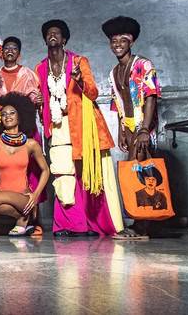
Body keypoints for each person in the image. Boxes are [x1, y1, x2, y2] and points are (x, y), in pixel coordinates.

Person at [35, 19, 124, 237]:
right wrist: (38, 103)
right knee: (63, 174)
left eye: (57, 33)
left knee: (87, 174)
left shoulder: (78, 61)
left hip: (82, 125)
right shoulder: (40, 68)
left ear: (64, 39)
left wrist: (79, 81)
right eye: (49, 33)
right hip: (57, 127)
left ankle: (93, 223)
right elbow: (43, 103)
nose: (52, 36)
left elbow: (93, 93)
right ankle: (68, 224)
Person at [102, 16, 162, 237]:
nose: (117, 44)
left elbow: (151, 96)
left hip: (143, 126)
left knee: (139, 175)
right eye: (113, 41)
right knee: (135, 173)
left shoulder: (143, 64)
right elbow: (117, 104)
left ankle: (141, 226)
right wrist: (120, 132)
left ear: (131, 42)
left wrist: (145, 129)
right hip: (128, 128)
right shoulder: (113, 72)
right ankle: (144, 223)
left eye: (122, 40)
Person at [0, 36, 45, 236]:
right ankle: (0, 220)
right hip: (2, 129)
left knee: (32, 173)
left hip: (25, 129)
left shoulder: (29, 73)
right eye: (7, 48)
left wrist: (38, 100)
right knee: (1, 170)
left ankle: (35, 220)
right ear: (1, 52)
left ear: (19, 53)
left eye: (14, 49)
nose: (10, 51)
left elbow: (37, 100)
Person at [0, 93, 50, 235]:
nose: (7, 116)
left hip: (23, 198)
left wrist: (35, 195)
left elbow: (45, 170)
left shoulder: (31, 144)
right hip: (0, 192)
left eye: (12, 113)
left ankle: (26, 215)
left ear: (20, 116)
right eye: (3, 114)